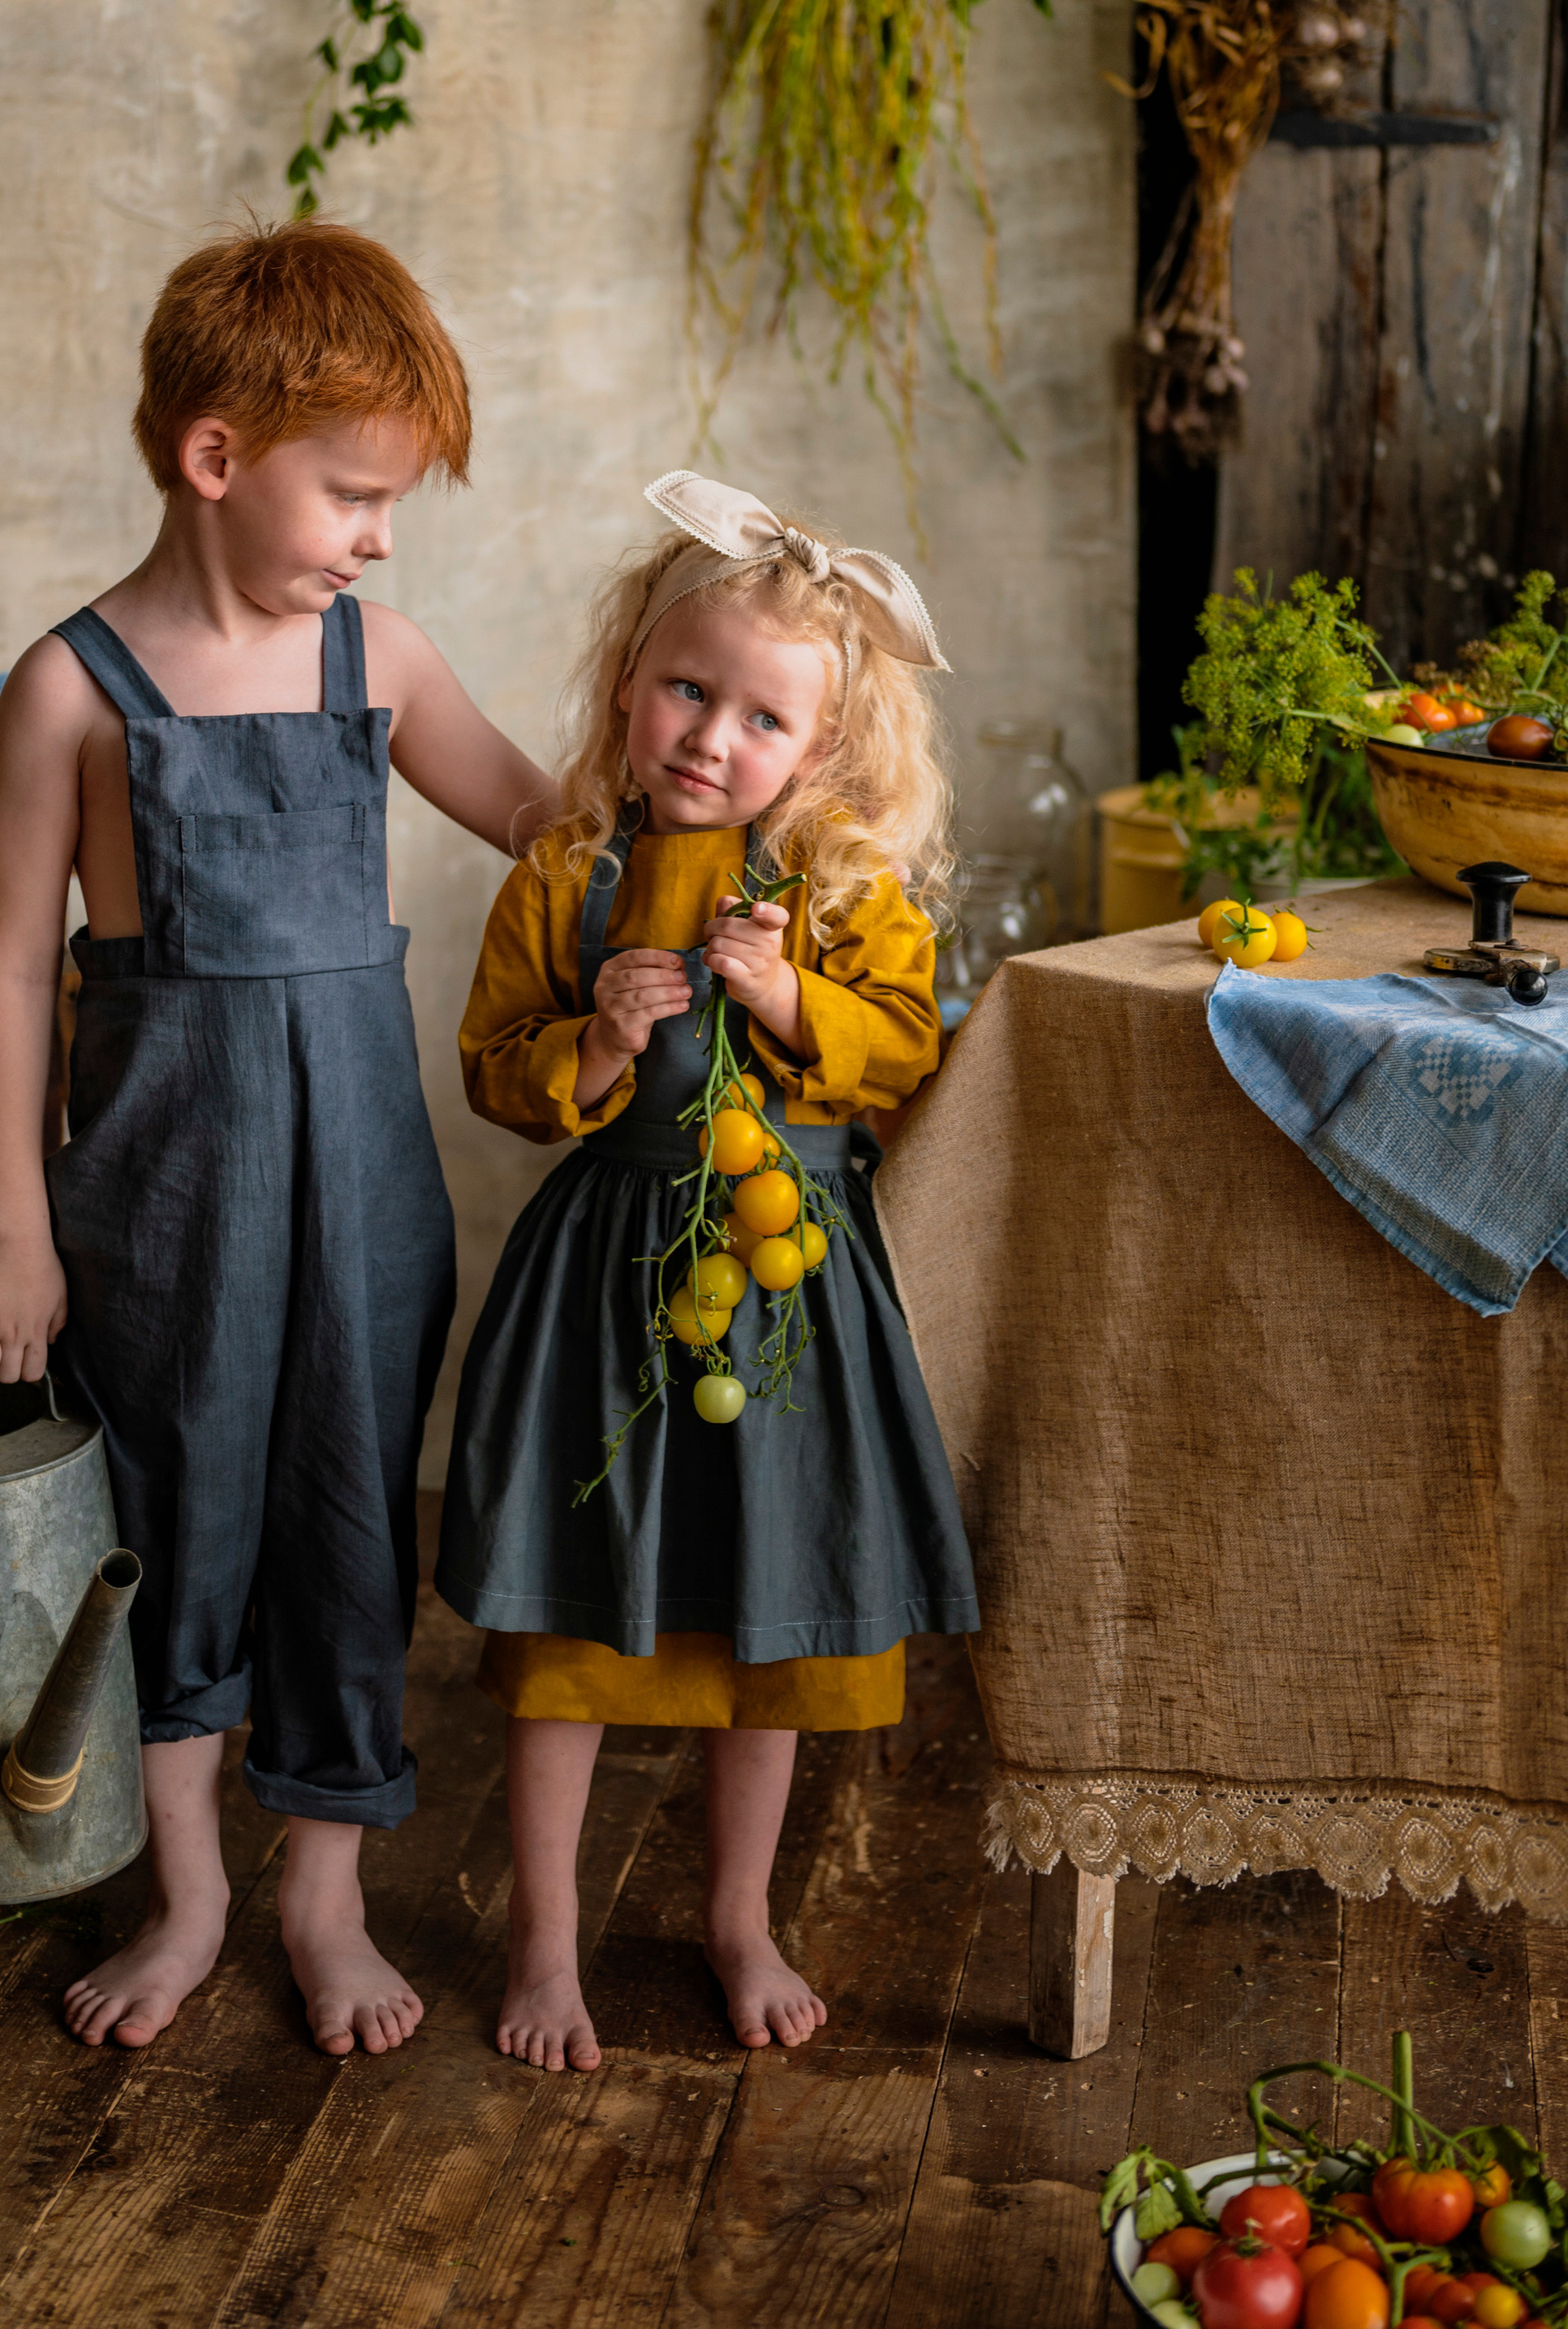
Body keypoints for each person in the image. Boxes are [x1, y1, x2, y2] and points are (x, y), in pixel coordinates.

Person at [0, 220, 549, 2060]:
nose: (377, 535)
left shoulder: (375, 654)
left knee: (348, 1507)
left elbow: (544, 817)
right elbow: (7, 974)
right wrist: (13, 1231)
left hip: (362, 1187)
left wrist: (731, 797)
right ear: (216, 460)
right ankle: (188, 1887)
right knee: (178, 1510)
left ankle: (323, 1892)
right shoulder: (71, 687)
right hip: (159, 1197)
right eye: (353, 494)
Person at [437, 470, 980, 2072]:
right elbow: (491, 1064)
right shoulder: (564, 870)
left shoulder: (839, 892)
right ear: (628, 682)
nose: (707, 736)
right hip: (609, 1271)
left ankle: (734, 1915)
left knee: (768, 1618)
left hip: (784, 1288)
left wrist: (795, 995)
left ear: (817, 752)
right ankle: (546, 1940)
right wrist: (593, 1041)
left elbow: (904, 1056)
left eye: (758, 719)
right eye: (686, 688)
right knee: (571, 1623)